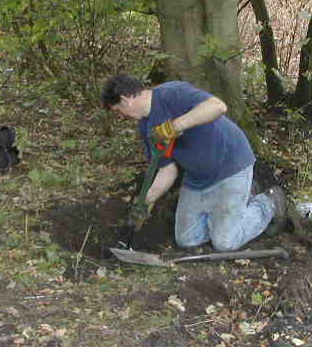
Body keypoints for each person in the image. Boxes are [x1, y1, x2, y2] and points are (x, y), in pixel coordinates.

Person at [101, 73, 287, 252]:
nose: (121, 116)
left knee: (225, 243)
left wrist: (174, 126)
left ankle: (267, 203)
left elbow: (218, 106)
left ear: (125, 100)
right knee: (186, 240)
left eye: (118, 111)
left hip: (230, 166)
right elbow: (168, 170)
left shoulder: (171, 93)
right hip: (197, 178)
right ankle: (230, 211)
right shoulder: (146, 127)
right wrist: (147, 199)